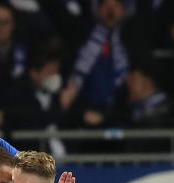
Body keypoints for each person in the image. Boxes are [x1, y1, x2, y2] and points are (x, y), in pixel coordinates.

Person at [60, 0, 147, 128]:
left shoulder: (132, 40)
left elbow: (134, 84)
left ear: (124, 9)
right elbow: (73, 82)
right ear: (97, 9)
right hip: (83, 116)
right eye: (106, 6)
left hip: (120, 117)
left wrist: (109, 114)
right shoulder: (83, 36)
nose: (110, 12)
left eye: (115, 6)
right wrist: (82, 110)